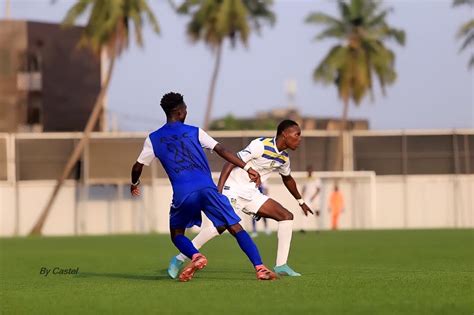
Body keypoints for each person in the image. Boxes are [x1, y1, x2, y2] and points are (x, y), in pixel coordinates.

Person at [130, 92, 276, 282]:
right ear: (181, 112)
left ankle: (195, 255)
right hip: (208, 189)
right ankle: (260, 267)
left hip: (183, 194)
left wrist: (134, 183)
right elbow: (222, 150)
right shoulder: (195, 131)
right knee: (235, 227)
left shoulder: (153, 139)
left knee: (177, 234)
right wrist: (247, 167)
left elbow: (137, 166)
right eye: (186, 108)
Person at [169, 120, 314, 278]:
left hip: (251, 193)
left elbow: (288, 179)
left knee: (286, 216)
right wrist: (219, 190)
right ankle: (179, 258)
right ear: (284, 134)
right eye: (297, 134)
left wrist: (301, 202)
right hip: (233, 189)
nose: (300, 138)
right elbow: (229, 163)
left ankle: (281, 265)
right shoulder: (260, 145)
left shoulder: (284, 159)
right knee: (221, 227)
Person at [300, 165, 321, 232]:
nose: (309, 171)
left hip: (315, 199)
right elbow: (303, 189)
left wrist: (313, 197)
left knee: (317, 212)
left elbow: (318, 189)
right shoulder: (306, 179)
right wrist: (302, 198)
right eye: (308, 170)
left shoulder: (316, 179)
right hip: (307, 198)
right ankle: (304, 228)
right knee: (305, 211)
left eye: (310, 170)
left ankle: (318, 228)